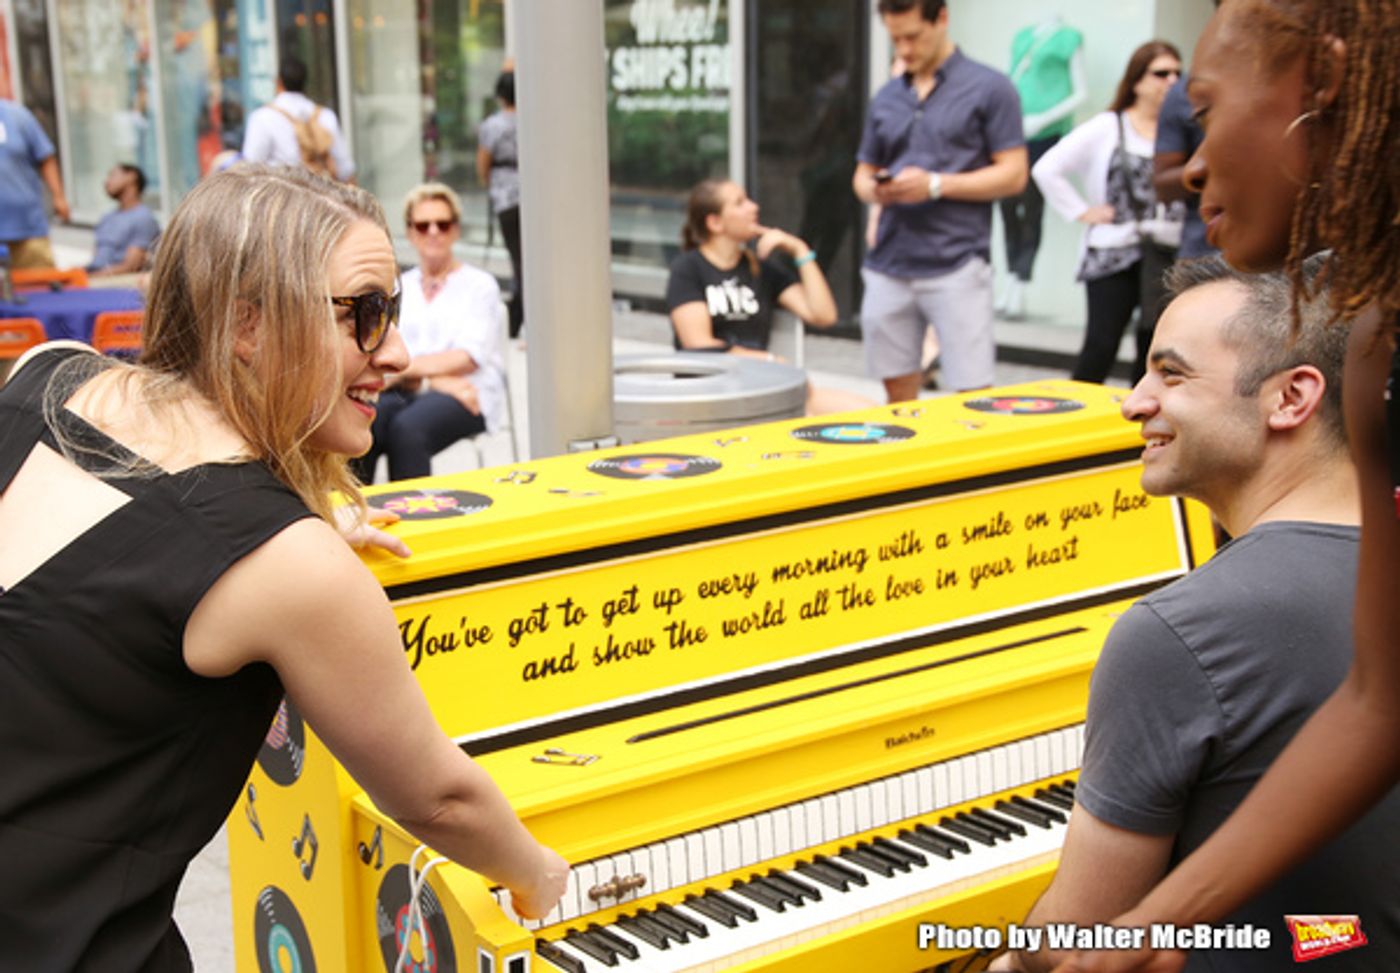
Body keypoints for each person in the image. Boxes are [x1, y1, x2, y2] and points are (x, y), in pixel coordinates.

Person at [0, 164, 566, 969]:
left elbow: (115, 544)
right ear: (247, 325)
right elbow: (438, 798)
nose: (398, 352)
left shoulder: (49, 372)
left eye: (393, 311)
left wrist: (299, 522)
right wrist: (538, 874)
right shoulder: (287, 563)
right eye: (363, 314)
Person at [1050, 1, 1400, 970]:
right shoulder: (1372, 343)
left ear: (1324, 83)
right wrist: (1154, 920)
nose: (1190, 166)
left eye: (1203, 112)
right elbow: (1378, 700)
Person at [993, 257, 1399, 973]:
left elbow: (1077, 939)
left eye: (1171, 375)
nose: (1132, 403)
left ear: (1291, 398)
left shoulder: (1183, 631)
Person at [852, 0, 1027, 401]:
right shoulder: (887, 96)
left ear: (942, 18)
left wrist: (935, 185)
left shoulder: (990, 88)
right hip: (889, 262)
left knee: (972, 395)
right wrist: (878, 190)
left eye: (913, 37)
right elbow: (861, 176)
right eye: (895, 39)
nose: (904, 49)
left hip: (957, 261)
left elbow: (1014, 174)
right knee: (896, 398)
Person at [1032, 41, 1185, 384]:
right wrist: (1081, 211)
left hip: (1167, 253)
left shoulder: (1181, 130)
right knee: (1101, 344)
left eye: (1178, 73)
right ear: (1137, 80)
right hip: (1113, 252)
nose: (1172, 81)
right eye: (1161, 73)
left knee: (1154, 349)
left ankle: (1138, 416)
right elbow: (1047, 168)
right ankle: (1078, 415)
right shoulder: (1109, 126)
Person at [666, 179, 872, 417]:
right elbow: (698, 343)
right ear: (715, 222)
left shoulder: (761, 269)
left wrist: (800, 250)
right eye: (739, 203)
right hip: (705, 393)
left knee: (869, 413)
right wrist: (768, 360)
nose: (754, 207)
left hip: (759, 390)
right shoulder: (688, 268)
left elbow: (823, 315)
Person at [350, 182, 507, 483]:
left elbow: (467, 358)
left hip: (468, 392)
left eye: (442, 224)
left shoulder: (480, 285)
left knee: (408, 430)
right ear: (410, 233)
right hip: (412, 388)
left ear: (456, 230)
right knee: (366, 421)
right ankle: (356, 507)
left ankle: (412, 511)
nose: (433, 232)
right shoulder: (400, 286)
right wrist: (431, 380)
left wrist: (407, 373)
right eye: (423, 226)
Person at [999, 15, 1086, 320]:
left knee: (1032, 210)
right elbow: (1009, 79)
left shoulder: (1069, 38)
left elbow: (1081, 93)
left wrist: (1042, 120)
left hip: (1045, 135)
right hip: (1013, 132)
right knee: (1007, 207)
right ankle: (1010, 281)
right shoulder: (1024, 35)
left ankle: (1021, 282)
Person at [242, 55, 355, 182]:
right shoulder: (326, 116)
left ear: (278, 82)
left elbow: (251, 167)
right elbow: (345, 169)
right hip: (322, 191)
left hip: (283, 191)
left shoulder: (262, 117)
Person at [477, 70, 524, 339]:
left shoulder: (493, 125)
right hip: (532, 195)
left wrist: (491, 184)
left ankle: (517, 316)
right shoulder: (532, 118)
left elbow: (483, 163)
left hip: (506, 198)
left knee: (518, 259)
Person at [0, 97, 69, 269]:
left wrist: (59, 197)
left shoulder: (18, 116)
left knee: (40, 282)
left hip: (27, 228)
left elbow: (46, 158)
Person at [88, 163, 160, 276]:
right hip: (93, 275)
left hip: (114, 281)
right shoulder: (106, 218)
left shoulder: (143, 218)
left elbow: (131, 267)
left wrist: (90, 277)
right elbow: (96, 260)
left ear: (131, 177)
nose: (106, 182)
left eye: (112, 175)